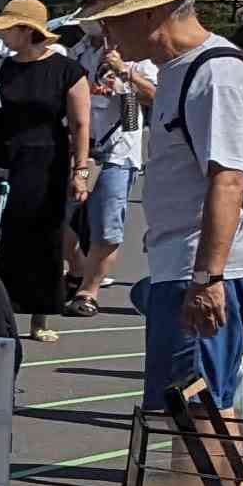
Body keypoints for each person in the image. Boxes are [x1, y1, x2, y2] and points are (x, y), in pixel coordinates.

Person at [86, 0, 243, 463]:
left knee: (201, 408)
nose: (108, 34)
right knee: (188, 407)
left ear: (149, 13)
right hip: (188, 265)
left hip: (211, 268)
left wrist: (208, 278)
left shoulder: (216, 75)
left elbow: (228, 180)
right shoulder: (176, 71)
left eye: (113, 20)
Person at [0, 0, 89, 338]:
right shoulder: (2, 67)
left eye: (9, 28)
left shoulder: (67, 70)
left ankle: (40, 316)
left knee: (42, 236)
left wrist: (79, 171)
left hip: (45, 159)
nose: (4, 35)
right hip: (0, 156)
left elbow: (81, 124)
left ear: (27, 31)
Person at [78, 27, 154, 310]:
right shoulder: (79, 51)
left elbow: (144, 106)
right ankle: (76, 267)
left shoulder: (138, 57)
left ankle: (89, 290)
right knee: (66, 213)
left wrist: (124, 74)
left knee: (106, 222)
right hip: (82, 157)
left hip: (116, 156)